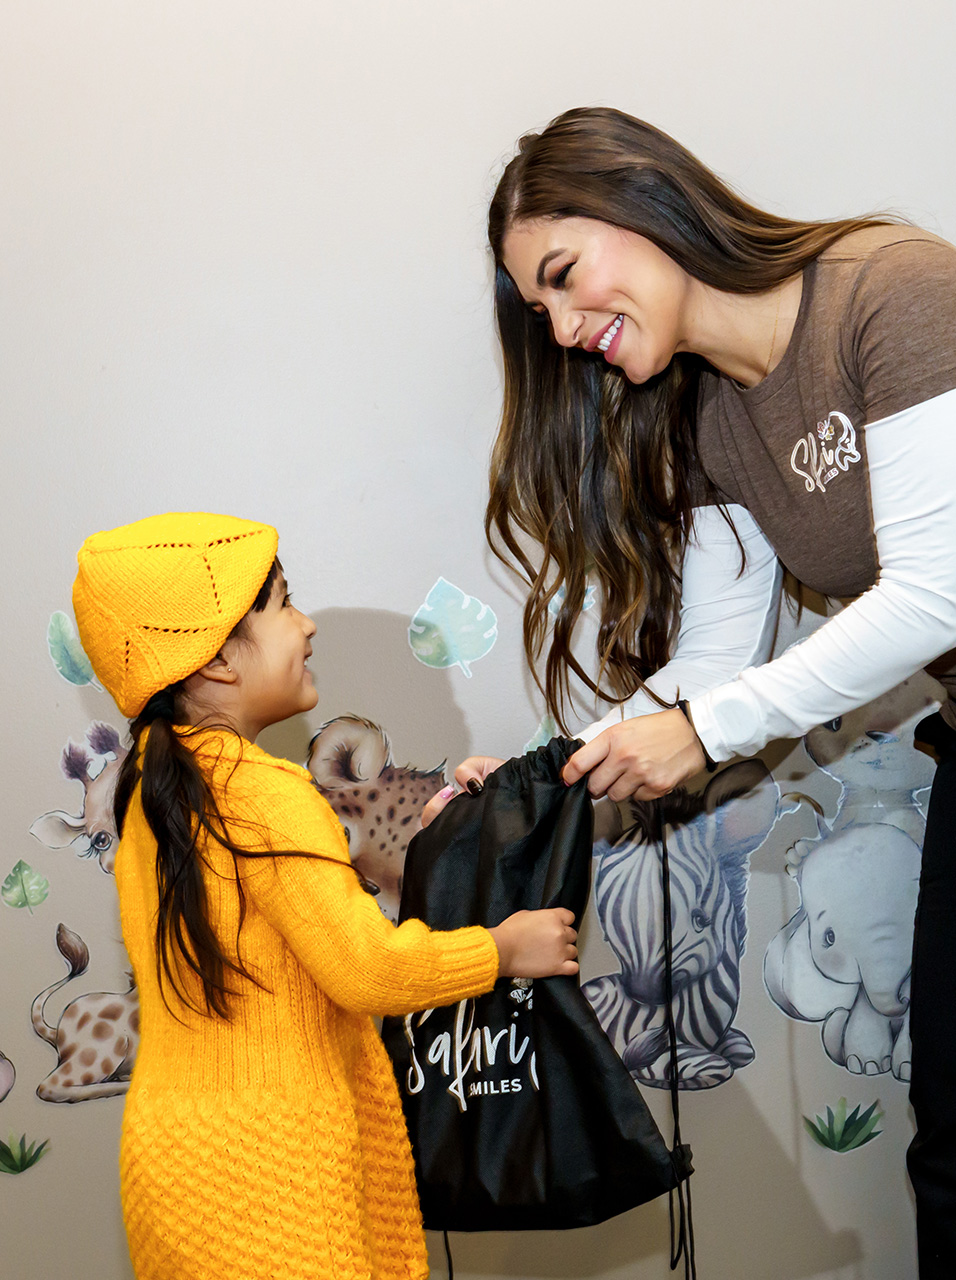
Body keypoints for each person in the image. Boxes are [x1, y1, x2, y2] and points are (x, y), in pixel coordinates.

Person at [436, 107, 956, 1276]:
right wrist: (532, 769)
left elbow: (937, 593)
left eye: (564, 276)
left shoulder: (892, 290)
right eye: (540, 312)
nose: (566, 328)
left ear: (638, 195)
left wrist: (701, 728)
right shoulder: (710, 414)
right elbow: (714, 666)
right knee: (949, 1141)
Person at [71, 511, 579, 1280]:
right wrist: (504, 950)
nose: (305, 624)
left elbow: (286, 929)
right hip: (276, 1177)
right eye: (280, 603)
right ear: (215, 662)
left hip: (175, 1167)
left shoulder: (154, 792)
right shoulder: (264, 791)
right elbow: (364, 968)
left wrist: (452, 810)